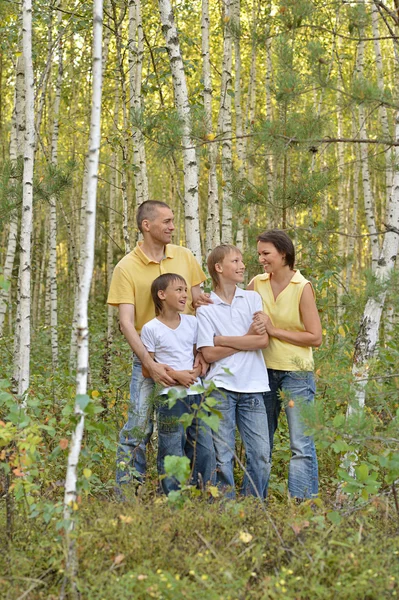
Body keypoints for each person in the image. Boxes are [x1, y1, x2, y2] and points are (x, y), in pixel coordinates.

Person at [107, 200, 209, 487]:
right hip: (148, 356)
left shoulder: (184, 256)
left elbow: (198, 305)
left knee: (192, 428)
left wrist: (203, 352)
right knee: (139, 426)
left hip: (187, 359)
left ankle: (193, 490)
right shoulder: (126, 267)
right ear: (146, 225)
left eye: (173, 220)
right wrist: (149, 364)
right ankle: (128, 491)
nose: (172, 226)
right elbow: (126, 322)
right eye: (166, 221)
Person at [248, 229, 322, 500]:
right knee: (260, 444)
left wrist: (273, 330)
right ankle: (255, 506)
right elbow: (235, 311)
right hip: (261, 373)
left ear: (283, 253)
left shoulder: (302, 287)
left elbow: (315, 337)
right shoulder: (257, 283)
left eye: (265, 253)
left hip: (296, 375)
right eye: (259, 254)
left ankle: (302, 507)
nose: (261, 259)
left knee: (300, 445)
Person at [196, 244, 271, 499]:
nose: (242, 266)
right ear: (219, 268)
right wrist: (245, 338)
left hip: (253, 387)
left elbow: (262, 341)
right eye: (235, 261)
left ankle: (252, 506)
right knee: (222, 455)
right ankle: (224, 510)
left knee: (261, 454)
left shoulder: (252, 299)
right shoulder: (205, 308)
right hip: (220, 388)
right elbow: (208, 354)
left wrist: (222, 340)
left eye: (241, 261)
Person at [140, 273, 215, 494]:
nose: (185, 295)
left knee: (205, 448)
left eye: (185, 290)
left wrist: (195, 372)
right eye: (179, 290)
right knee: (171, 448)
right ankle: (171, 497)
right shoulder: (151, 328)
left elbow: (197, 356)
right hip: (170, 398)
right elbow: (148, 368)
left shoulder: (192, 322)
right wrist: (178, 376)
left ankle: (204, 492)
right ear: (161, 295)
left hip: (197, 395)